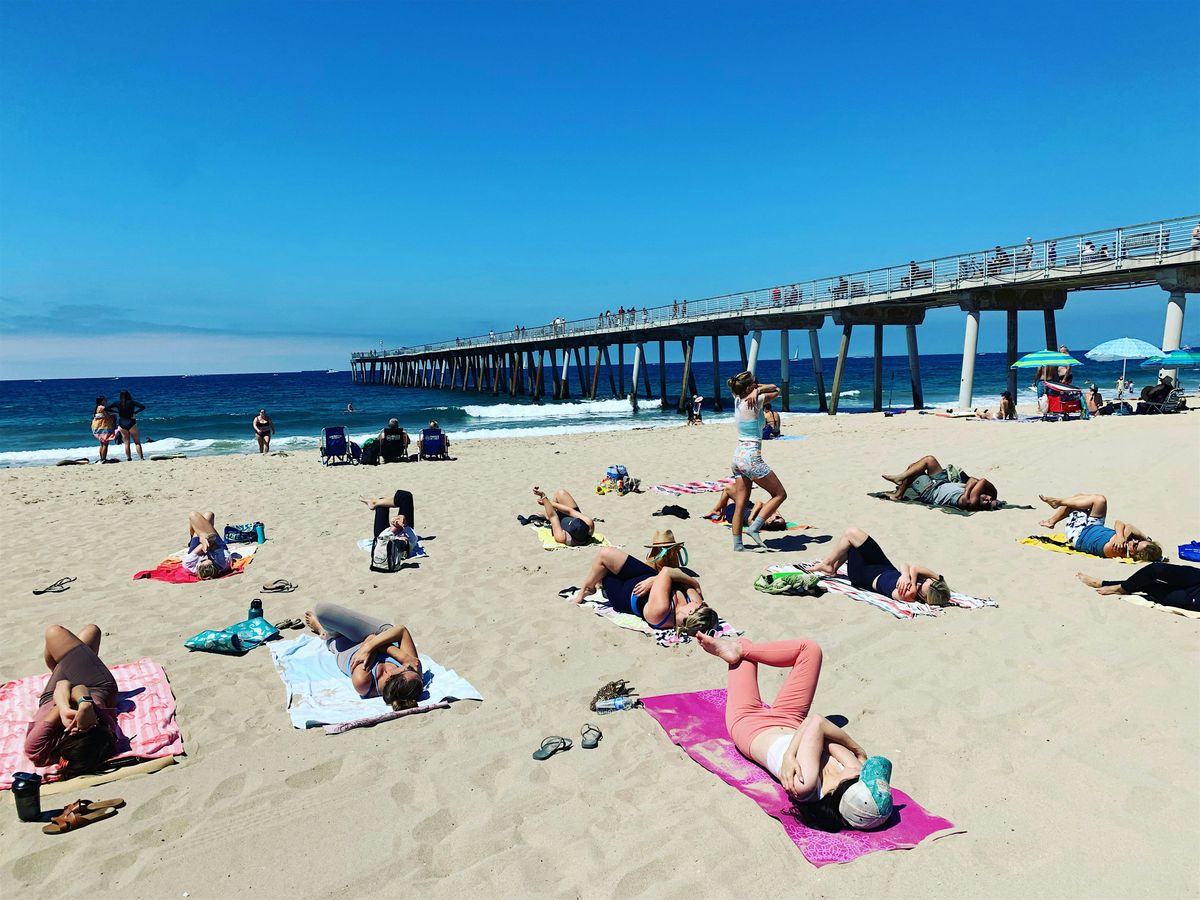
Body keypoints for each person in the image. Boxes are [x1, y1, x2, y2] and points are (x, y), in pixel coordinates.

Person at [695, 631, 895, 832]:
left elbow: (817, 723)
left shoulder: (806, 786)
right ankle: (740, 648)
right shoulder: (852, 773)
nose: (863, 770)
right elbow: (821, 734)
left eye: (862, 779)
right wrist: (842, 750)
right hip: (791, 721)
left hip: (749, 724)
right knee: (810, 650)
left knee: (741, 655)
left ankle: (738, 648)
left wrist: (854, 747)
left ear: (847, 789)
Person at [569, 531, 721, 634]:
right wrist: (658, 579)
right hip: (647, 577)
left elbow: (669, 572)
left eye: (699, 606)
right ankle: (596, 584)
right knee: (607, 553)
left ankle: (587, 589)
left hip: (625, 592)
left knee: (604, 563)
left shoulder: (661, 611)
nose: (701, 603)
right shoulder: (694, 605)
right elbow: (674, 576)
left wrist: (692, 582)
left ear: (690, 612)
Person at [23, 624, 119, 777]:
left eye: (75, 734)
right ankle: (69, 662)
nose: (78, 728)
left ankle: (64, 663)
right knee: (91, 631)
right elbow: (79, 688)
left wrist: (63, 710)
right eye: (85, 730)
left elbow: (63, 685)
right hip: (97, 686)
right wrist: (86, 704)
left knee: (54, 633)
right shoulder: (100, 732)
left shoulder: (38, 749)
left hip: (52, 696)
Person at [304, 604, 424, 709]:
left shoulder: (363, 683)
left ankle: (324, 632)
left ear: (392, 676)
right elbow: (401, 630)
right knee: (323, 610)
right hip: (372, 637)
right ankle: (330, 630)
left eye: (407, 669)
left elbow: (371, 638)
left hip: (346, 646)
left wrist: (373, 646)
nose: (409, 665)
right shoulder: (414, 675)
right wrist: (372, 648)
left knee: (332, 633)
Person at [812, 527, 952, 605]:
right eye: (927, 581)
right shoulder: (925, 586)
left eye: (921, 588)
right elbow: (909, 566)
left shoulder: (909, 595)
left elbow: (913, 569)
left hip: (865, 576)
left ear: (924, 598)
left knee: (851, 544)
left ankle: (828, 565)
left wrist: (911, 578)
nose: (923, 583)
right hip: (883, 565)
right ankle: (829, 565)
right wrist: (907, 576)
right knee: (852, 532)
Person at [727, 370, 788, 551]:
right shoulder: (756, 401)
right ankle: (754, 527)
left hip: (737, 456)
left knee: (741, 503)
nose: (757, 384)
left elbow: (760, 390)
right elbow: (777, 389)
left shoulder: (738, 401)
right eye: (755, 382)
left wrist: (753, 389)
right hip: (751, 457)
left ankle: (738, 545)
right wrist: (757, 391)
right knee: (779, 494)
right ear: (749, 387)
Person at [1037, 493, 1162, 561]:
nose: (1134, 541)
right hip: (1094, 527)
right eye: (1137, 541)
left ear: (1135, 554)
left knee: (1075, 504)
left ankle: (1057, 505)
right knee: (1099, 500)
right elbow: (1126, 525)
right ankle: (1053, 517)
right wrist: (1145, 539)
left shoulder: (1117, 548)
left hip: (1079, 534)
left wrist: (1120, 536)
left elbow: (1120, 523)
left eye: (1135, 545)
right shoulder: (1125, 542)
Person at [881, 454, 999, 511]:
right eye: (989, 499)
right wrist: (994, 496)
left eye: (987, 503)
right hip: (942, 481)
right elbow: (974, 480)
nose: (987, 500)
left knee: (913, 469)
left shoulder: (971, 502)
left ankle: (898, 494)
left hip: (931, 490)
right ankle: (901, 478)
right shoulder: (974, 495)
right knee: (929, 459)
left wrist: (971, 486)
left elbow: (981, 481)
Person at [1076, 564, 1200, 612]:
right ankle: (1119, 586)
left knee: (1149, 586)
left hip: (1193, 598)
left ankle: (1106, 584)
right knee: (1155, 569)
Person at [704, 484, 788, 530]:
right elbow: (773, 508)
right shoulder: (766, 518)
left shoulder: (758, 522)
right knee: (735, 489)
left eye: (777, 517)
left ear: (769, 522)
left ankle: (717, 510)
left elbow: (759, 503)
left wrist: (750, 518)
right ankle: (719, 510)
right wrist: (775, 514)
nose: (778, 514)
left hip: (734, 512)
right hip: (747, 506)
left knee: (728, 489)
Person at [182, 511, 233, 579]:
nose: (206, 557)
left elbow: (197, 550)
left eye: (203, 560)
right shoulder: (223, 562)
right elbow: (214, 545)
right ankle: (199, 534)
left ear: (198, 567)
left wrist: (202, 538)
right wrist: (206, 539)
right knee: (209, 515)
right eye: (210, 559)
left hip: (197, 551)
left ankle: (193, 537)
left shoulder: (189, 565)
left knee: (193, 515)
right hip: (217, 547)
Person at [106, 390, 145, 460]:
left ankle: (129, 458)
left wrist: (116, 412)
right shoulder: (131, 402)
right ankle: (141, 458)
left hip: (122, 423)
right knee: (137, 442)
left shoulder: (117, 403)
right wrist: (135, 413)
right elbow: (142, 407)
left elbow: (107, 408)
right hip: (131, 422)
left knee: (126, 443)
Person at [90, 396, 116, 462]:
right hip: (103, 426)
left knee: (102, 443)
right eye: (105, 400)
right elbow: (107, 416)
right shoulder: (102, 407)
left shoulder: (97, 407)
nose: (106, 401)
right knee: (105, 444)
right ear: (101, 401)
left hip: (97, 426)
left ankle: (102, 458)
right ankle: (103, 458)